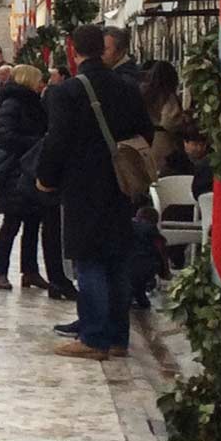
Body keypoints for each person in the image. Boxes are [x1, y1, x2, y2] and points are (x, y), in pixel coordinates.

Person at [37, 24, 155, 361]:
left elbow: (56, 141)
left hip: (83, 186)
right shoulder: (128, 88)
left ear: (73, 51)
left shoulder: (68, 92)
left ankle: (93, 338)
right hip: (121, 185)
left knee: (88, 261)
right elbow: (145, 131)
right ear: (103, 50)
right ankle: (118, 337)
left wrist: (46, 178)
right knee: (117, 260)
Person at [0, 65, 51, 293]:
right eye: (37, 79)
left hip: (32, 170)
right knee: (11, 224)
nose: (41, 84)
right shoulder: (12, 103)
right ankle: (0, 272)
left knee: (33, 224)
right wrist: (37, 141)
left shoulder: (35, 103)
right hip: (14, 173)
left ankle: (30, 271)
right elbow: (5, 136)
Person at [142, 60, 184, 175]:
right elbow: (169, 122)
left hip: (146, 142)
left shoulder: (144, 94)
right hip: (164, 141)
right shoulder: (168, 97)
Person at [129, 205, 170, 309]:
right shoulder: (154, 233)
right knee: (140, 286)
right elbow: (162, 252)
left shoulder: (127, 226)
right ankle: (141, 299)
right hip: (145, 267)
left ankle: (131, 298)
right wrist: (165, 272)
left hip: (124, 265)